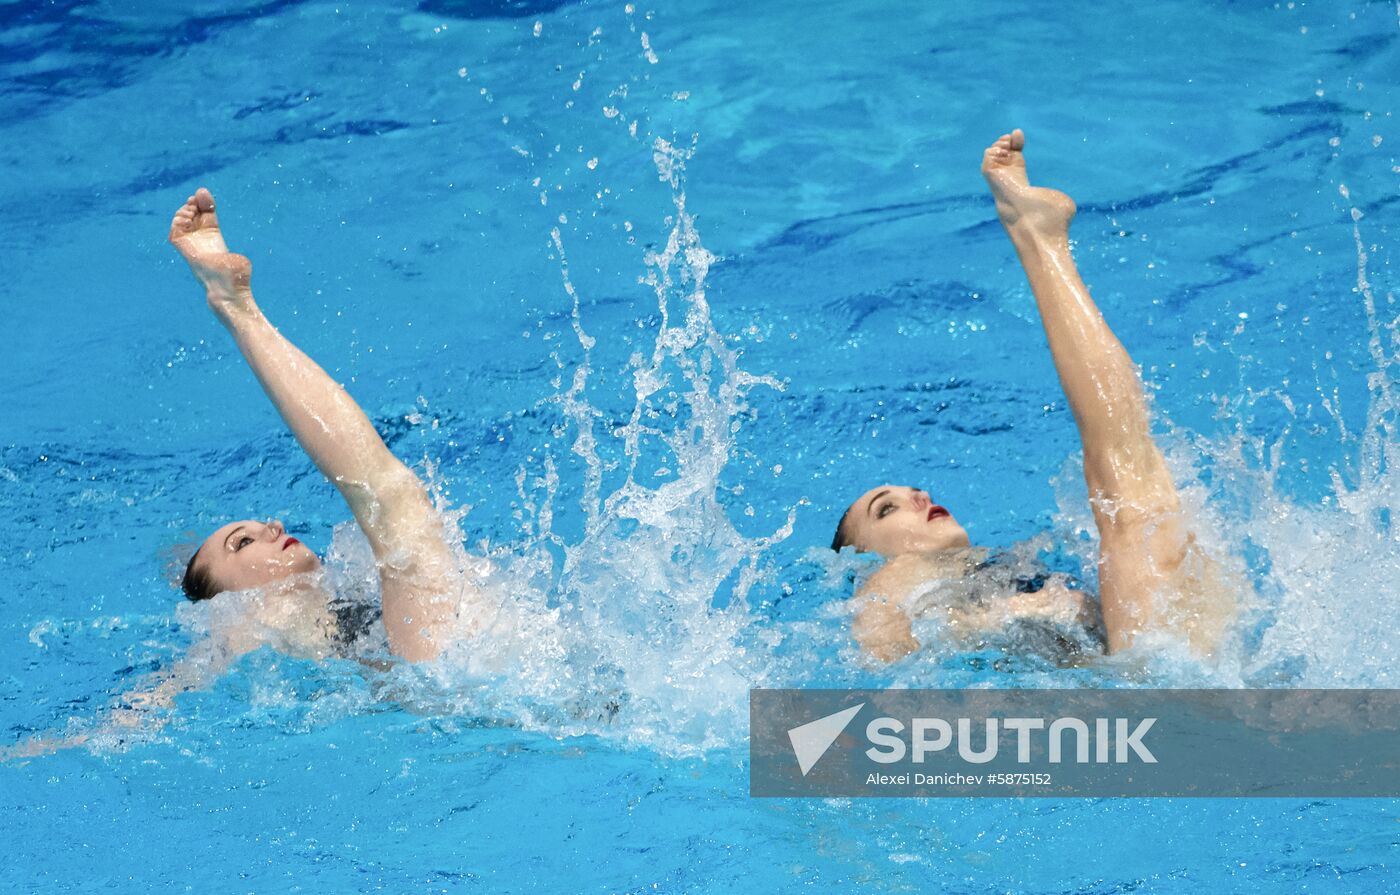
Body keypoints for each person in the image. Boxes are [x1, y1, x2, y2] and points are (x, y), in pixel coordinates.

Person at [832, 130, 1236, 664]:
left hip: (1150, 692)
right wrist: (1013, 614)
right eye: (885, 511)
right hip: (1144, 705)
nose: (919, 497)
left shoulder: (1002, 566)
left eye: (911, 490)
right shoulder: (884, 580)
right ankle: (1039, 241)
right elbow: (879, 651)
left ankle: (1040, 239)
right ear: (866, 558)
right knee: (1126, 489)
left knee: (1138, 493)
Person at [167, 188, 476, 665]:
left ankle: (235, 307)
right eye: (243, 542)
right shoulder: (246, 634)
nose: (273, 526)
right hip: (438, 689)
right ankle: (234, 307)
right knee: (391, 503)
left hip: (443, 680)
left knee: (395, 507)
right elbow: (154, 703)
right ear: (228, 604)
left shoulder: (345, 604)